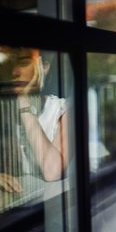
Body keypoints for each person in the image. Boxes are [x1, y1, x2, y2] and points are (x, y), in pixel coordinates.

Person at [0, 47, 68, 194]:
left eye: (23, 62)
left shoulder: (62, 110)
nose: (14, 72)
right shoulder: (4, 112)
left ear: (43, 67)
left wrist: (23, 102)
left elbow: (52, 172)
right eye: (8, 64)